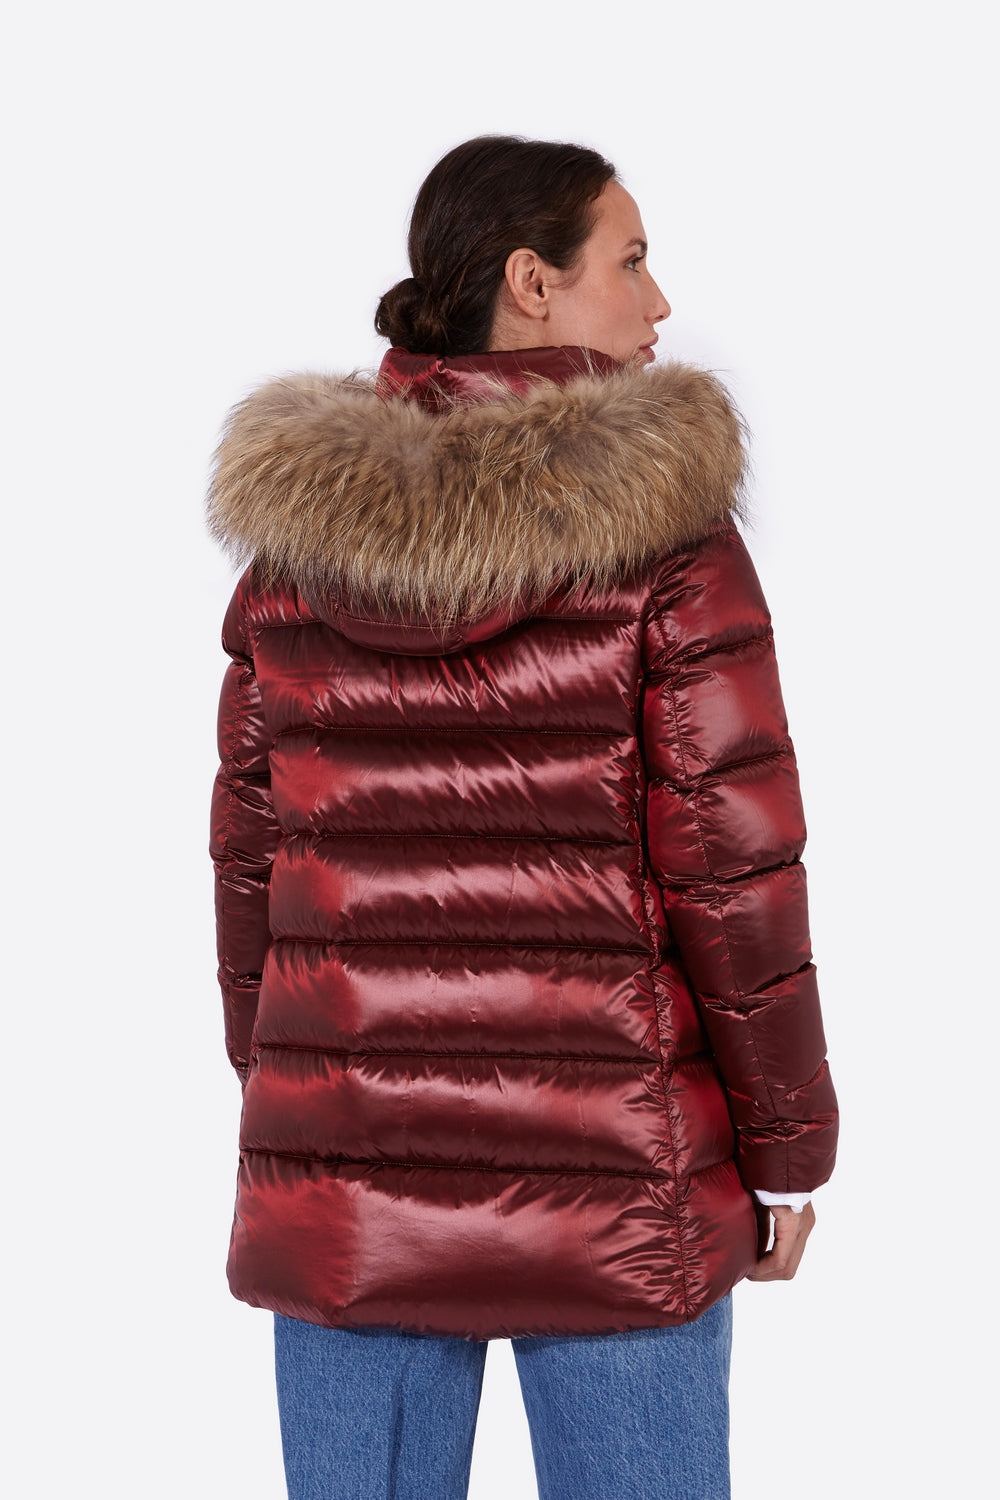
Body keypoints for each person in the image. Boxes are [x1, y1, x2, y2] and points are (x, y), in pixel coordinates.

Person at [208, 135, 838, 1500]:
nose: (660, 303)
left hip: (350, 1185)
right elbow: (736, 875)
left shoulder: (295, 547)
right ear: (531, 283)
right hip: (621, 1185)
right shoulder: (669, 542)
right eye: (632, 260)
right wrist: (790, 1150)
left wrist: (292, 1093)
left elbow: (252, 855)